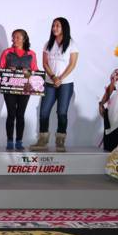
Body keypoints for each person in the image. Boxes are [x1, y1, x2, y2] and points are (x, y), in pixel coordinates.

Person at [31, 17, 79, 152]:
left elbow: (72, 64)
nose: (54, 28)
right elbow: (45, 63)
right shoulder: (48, 44)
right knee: (44, 112)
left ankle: (60, 141)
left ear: (64, 27)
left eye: (57, 26)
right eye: (53, 26)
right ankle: (42, 140)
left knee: (62, 112)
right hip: (49, 83)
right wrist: (53, 77)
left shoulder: (72, 44)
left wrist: (60, 78)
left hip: (66, 84)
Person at [0, 29, 39, 151]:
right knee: (11, 114)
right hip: (9, 88)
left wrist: (28, 72)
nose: (14, 39)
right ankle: (9, 141)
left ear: (24, 39)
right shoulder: (7, 52)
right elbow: (0, 68)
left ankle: (19, 141)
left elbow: (35, 71)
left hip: (25, 88)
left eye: (17, 37)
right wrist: (8, 70)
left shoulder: (31, 54)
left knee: (20, 114)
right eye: (13, 37)